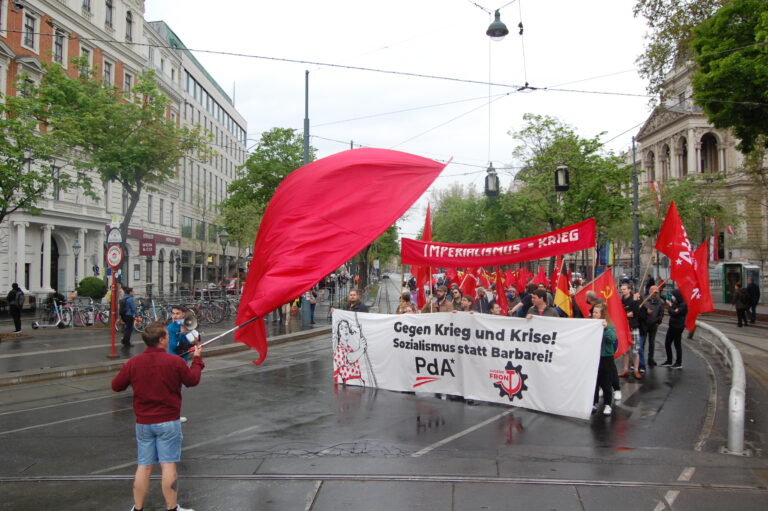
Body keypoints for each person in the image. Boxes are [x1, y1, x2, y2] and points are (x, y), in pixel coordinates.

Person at [111, 321, 204, 511]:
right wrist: (197, 359)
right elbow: (192, 380)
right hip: (168, 421)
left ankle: (138, 508)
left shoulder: (133, 363)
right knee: (168, 465)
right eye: (167, 336)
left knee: (144, 467)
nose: (169, 338)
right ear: (161, 340)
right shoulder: (175, 362)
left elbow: (116, 385)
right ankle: (171, 508)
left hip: (144, 423)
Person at [592, 301, 616, 416]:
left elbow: (612, 339)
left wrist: (606, 329)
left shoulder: (609, 325)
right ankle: (594, 402)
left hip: (605, 357)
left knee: (606, 382)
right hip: (594, 357)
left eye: (596, 312)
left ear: (602, 314)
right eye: (593, 312)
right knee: (594, 381)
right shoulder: (591, 324)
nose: (594, 314)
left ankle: (607, 404)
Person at [333, 318, 367, 384]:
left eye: (346, 327)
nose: (345, 330)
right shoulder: (339, 348)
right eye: (341, 328)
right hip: (350, 385)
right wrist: (361, 349)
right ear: (338, 333)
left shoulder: (348, 347)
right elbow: (350, 358)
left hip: (356, 383)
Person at [619, 283, 642, 379]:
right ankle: (625, 370)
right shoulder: (621, 301)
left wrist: (636, 302)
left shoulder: (635, 299)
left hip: (633, 328)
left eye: (624, 289)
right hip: (624, 328)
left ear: (629, 290)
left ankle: (636, 370)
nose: (622, 291)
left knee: (635, 350)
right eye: (621, 289)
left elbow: (637, 313)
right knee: (625, 351)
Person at [638, 285, 664, 369]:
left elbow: (661, 312)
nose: (655, 294)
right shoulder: (644, 300)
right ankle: (641, 360)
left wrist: (658, 321)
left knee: (652, 342)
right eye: (653, 292)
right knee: (642, 342)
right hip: (645, 325)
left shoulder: (659, 302)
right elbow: (640, 311)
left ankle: (651, 359)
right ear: (650, 291)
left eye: (656, 292)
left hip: (653, 325)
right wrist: (646, 311)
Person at [661, 289, 687, 369]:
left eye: (673, 296)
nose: (672, 297)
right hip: (672, 326)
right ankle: (669, 360)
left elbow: (674, 313)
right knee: (667, 343)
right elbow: (666, 299)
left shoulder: (683, 305)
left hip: (678, 327)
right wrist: (660, 292)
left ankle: (678, 363)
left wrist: (670, 306)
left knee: (677, 344)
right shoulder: (676, 303)